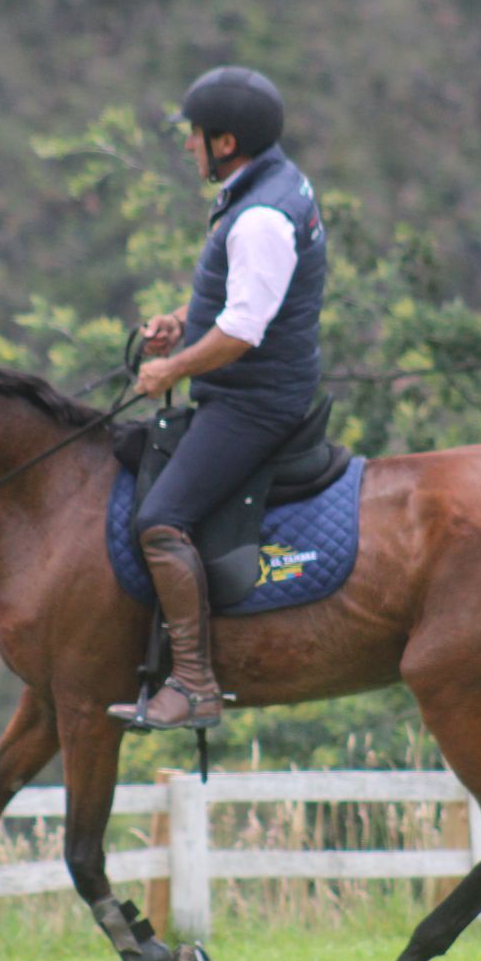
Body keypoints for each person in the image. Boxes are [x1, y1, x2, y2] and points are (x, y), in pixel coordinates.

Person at [107, 66, 328, 731]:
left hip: (255, 403)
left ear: (226, 142)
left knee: (160, 520)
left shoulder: (260, 217)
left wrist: (170, 365)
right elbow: (239, 296)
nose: (188, 146)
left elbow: (242, 329)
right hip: (251, 385)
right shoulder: (269, 186)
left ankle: (195, 686)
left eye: (196, 136)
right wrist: (182, 320)